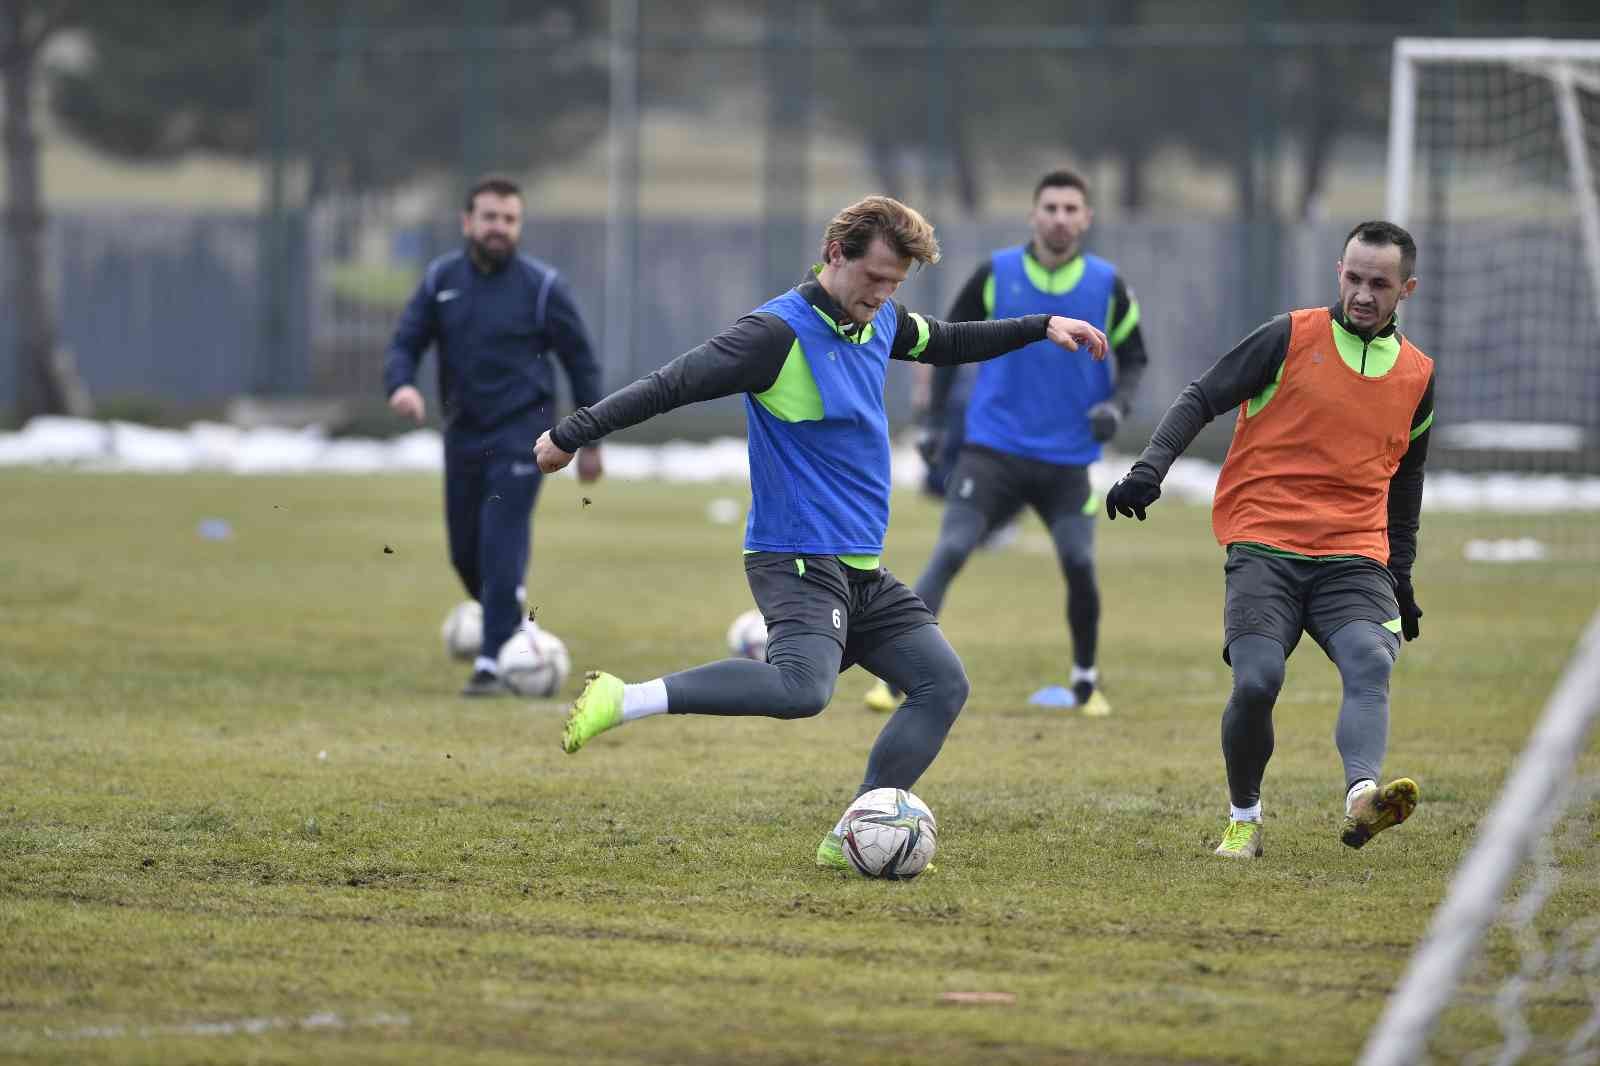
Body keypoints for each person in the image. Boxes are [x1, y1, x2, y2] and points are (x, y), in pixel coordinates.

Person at [533, 196, 1108, 870]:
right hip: (796, 553)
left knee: (942, 684)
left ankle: (855, 833)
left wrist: (1043, 326)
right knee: (802, 690)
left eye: (896, 284)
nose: (884, 294)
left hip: (859, 567)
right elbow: (671, 385)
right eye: (875, 278)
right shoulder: (774, 334)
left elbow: (948, 342)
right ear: (837, 254)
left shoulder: (880, 320)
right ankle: (625, 698)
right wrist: (570, 436)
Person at [1104, 220, 1435, 859]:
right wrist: (1150, 468)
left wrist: (1403, 573)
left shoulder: (1418, 375)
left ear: (1406, 290)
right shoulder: (1289, 336)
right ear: (1339, 271)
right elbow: (1201, 397)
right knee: (1257, 681)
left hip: (1354, 556)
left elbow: (1407, 481)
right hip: (1264, 544)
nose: (1363, 294)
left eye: (1380, 284)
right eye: (1354, 278)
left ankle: (1364, 796)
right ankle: (1244, 818)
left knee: (1370, 662)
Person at [866, 169, 1149, 717]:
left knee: (1078, 562)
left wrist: (1116, 406)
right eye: (1051, 208)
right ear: (1033, 215)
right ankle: (894, 677)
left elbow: (1135, 357)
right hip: (991, 448)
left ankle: (1086, 681)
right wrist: (933, 424)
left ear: (1086, 218)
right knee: (949, 551)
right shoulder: (996, 273)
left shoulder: (1108, 284)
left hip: (1067, 460)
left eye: (1072, 209)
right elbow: (943, 344)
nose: (1061, 218)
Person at [385, 175, 604, 697]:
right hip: (462, 436)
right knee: (464, 553)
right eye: (489, 218)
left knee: (500, 539)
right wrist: (401, 386)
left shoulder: (543, 288)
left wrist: (591, 440)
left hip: (524, 437)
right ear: (468, 222)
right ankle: (507, 618)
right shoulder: (441, 280)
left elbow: (581, 363)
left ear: (519, 226)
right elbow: (405, 341)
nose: (499, 228)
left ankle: (490, 664)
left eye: (509, 220)